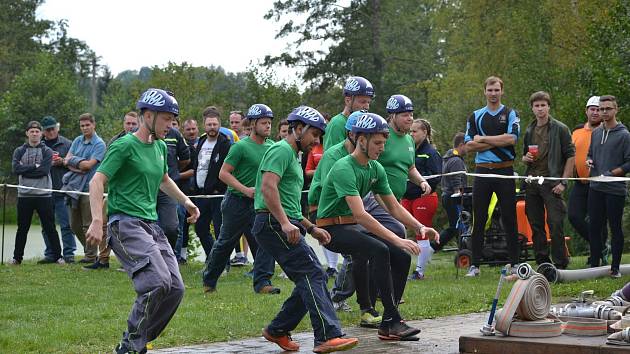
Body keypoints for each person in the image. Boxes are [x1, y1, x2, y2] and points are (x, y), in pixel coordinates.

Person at [85, 88, 200, 354]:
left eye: (173, 120)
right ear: (147, 115)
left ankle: (137, 341)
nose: (171, 126)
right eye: (166, 119)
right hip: (125, 224)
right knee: (156, 282)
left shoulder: (160, 146)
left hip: (151, 226)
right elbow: (97, 180)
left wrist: (186, 202)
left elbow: (163, 180)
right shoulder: (124, 145)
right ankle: (130, 346)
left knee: (175, 288)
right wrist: (96, 219)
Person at [317, 112, 439, 341]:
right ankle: (391, 320)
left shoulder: (375, 168)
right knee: (380, 249)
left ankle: (389, 320)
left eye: (384, 142)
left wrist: (419, 226)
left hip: (351, 226)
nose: (382, 148)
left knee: (402, 255)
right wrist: (396, 238)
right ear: (361, 140)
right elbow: (361, 215)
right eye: (377, 143)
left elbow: (393, 207)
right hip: (330, 229)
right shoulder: (344, 167)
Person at [252, 106, 358, 353]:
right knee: (312, 273)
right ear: (298, 129)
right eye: (314, 135)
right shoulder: (280, 150)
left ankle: (278, 329)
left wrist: (311, 228)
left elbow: (289, 201)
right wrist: (285, 222)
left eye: (320, 137)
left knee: (311, 275)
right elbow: (268, 188)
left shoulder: (293, 156)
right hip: (272, 222)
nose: (317, 141)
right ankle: (327, 335)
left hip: (282, 221)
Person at [202, 104, 278, 294]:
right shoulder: (240, 146)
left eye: (269, 122)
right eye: (263, 123)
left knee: (266, 240)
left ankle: (263, 282)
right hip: (236, 202)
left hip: (260, 202)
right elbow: (223, 174)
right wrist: (245, 190)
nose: (268, 126)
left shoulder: (273, 148)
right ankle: (209, 280)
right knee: (225, 242)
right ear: (252, 124)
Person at [464, 76, 520, 277]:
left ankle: (514, 263)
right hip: (482, 171)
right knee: (479, 218)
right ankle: (475, 265)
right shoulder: (476, 116)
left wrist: (484, 139)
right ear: (484, 91)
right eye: (490, 90)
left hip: (505, 170)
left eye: (497, 90)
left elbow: (512, 138)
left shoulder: (510, 113)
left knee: (510, 217)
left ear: (502, 91)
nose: (493, 93)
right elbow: (469, 145)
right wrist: (498, 141)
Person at [307, 111, 361, 314]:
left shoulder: (362, 159)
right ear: (352, 135)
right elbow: (331, 193)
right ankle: (336, 296)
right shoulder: (334, 156)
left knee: (371, 246)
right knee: (356, 250)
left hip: (345, 212)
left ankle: (369, 299)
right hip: (324, 213)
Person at [522, 91, 575, 269]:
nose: (540, 109)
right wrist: (525, 158)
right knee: (535, 225)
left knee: (555, 223)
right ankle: (543, 262)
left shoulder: (560, 128)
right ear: (532, 108)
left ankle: (561, 263)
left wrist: (563, 182)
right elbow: (525, 155)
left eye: (543, 105)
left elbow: (571, 156)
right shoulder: (529, 129)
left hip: (552, 182)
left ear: (548, 107)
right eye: (536, 106)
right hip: (532, 182)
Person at [585, 95, 630, 278]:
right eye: (601, 109)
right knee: (594, 227)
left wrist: (612, 173)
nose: (604, 112)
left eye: (608, 109)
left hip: (615, 189)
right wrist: (589, 160)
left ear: (615, 110)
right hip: (596, 187)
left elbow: (629, 163)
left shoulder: (624, 135)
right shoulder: (595, 133)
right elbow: (590, 154)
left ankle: (615, 268)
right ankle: (595, 265)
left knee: (615, 227)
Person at [10, 121, 64, 265]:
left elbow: (44, 171)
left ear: (41, 134)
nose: (34, 134)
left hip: (43, 195)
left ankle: (58, 257)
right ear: (27, 133)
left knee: (49, 227)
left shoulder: (47, 151)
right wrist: (34, 166)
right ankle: (17, 258)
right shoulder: (19, 151)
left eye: (37, 131)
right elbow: (16, 169)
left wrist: (26, 169)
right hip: (24, 195)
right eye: (31, 131)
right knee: (22, 228)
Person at [62, 113, 108, 267]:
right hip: (73, 187)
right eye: (82, 126)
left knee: (88, 224)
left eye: (87, 125)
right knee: (74, 224)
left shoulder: (99, 144)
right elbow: (65, 161)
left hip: (91, 189)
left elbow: (89, 166)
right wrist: (78, 165)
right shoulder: (77, 140)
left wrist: (73, 161)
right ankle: (89, 251)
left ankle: (90, 256)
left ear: (94, 125)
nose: (85, 128)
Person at [569, 96, 608, 265]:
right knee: (574, 216)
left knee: (597, 221)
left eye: (598, 109)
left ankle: (596, 257)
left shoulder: (607, 130)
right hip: (580, 182)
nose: (595, 112)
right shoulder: (577, 131)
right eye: (592, 109)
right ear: (586, 111)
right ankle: (600, 246)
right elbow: (570, 154)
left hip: (599, 183)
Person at [402, 118, 442, 280]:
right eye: (410, 131)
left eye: (414, 131)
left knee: (422, 232)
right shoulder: (410, 150)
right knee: (400, 229)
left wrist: (426, 188)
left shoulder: (431, 152)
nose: (411, 134)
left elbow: (436, 176)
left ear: (424, 133)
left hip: (423, 197)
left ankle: (419, 271)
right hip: (407, 197)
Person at [192, 106, 231, 257]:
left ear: (219, 124)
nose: (212, 127)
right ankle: (213, 259)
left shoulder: (225, 144)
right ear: (204, 125)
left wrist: (218, 188)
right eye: (209, 124)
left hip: (218, 195)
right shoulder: (201, 141)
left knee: (220, 229)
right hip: (201, 194)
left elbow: (229, 169)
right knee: (200, 229)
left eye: (215, 124)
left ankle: (223, 264)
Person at [40, 115, 76, 263]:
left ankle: (69, 255)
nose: (50, 132)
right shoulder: (39, 146)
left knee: (66, 225)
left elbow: (76, 164)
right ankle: (51, 254)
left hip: (63, 190)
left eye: (53, 129)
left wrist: (62, 161)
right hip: (44, 192)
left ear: (57, 128)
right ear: (43, 131)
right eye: (47, 130)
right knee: (46, 226)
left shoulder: (68, 144)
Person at [157, 121, 190, 250]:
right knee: (145, 226)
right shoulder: (135, 138)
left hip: (169, 187)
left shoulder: (175, 135)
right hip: (147, 188)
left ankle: (170, 257)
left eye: (170, 119)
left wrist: (174, 172)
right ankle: (148, 259)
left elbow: (185, 159)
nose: (168, 124)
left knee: (172, 228)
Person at [433, 133, 468, 252]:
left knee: (456, 225)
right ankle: (435, 246)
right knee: (457, 226)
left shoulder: (448, 158)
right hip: (453, 196)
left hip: (447, 196)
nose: (469, 149)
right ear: (462, 144)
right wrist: (459, 194)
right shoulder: (456, 161)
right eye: (467, 145)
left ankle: (464, 249)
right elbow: (456, 179)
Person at [323, 76, 374, 150]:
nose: (367, 107)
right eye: (363, 102)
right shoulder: (337, 123)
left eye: (368, 102)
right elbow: (333, 156)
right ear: (348, 101)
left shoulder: (364, 124)